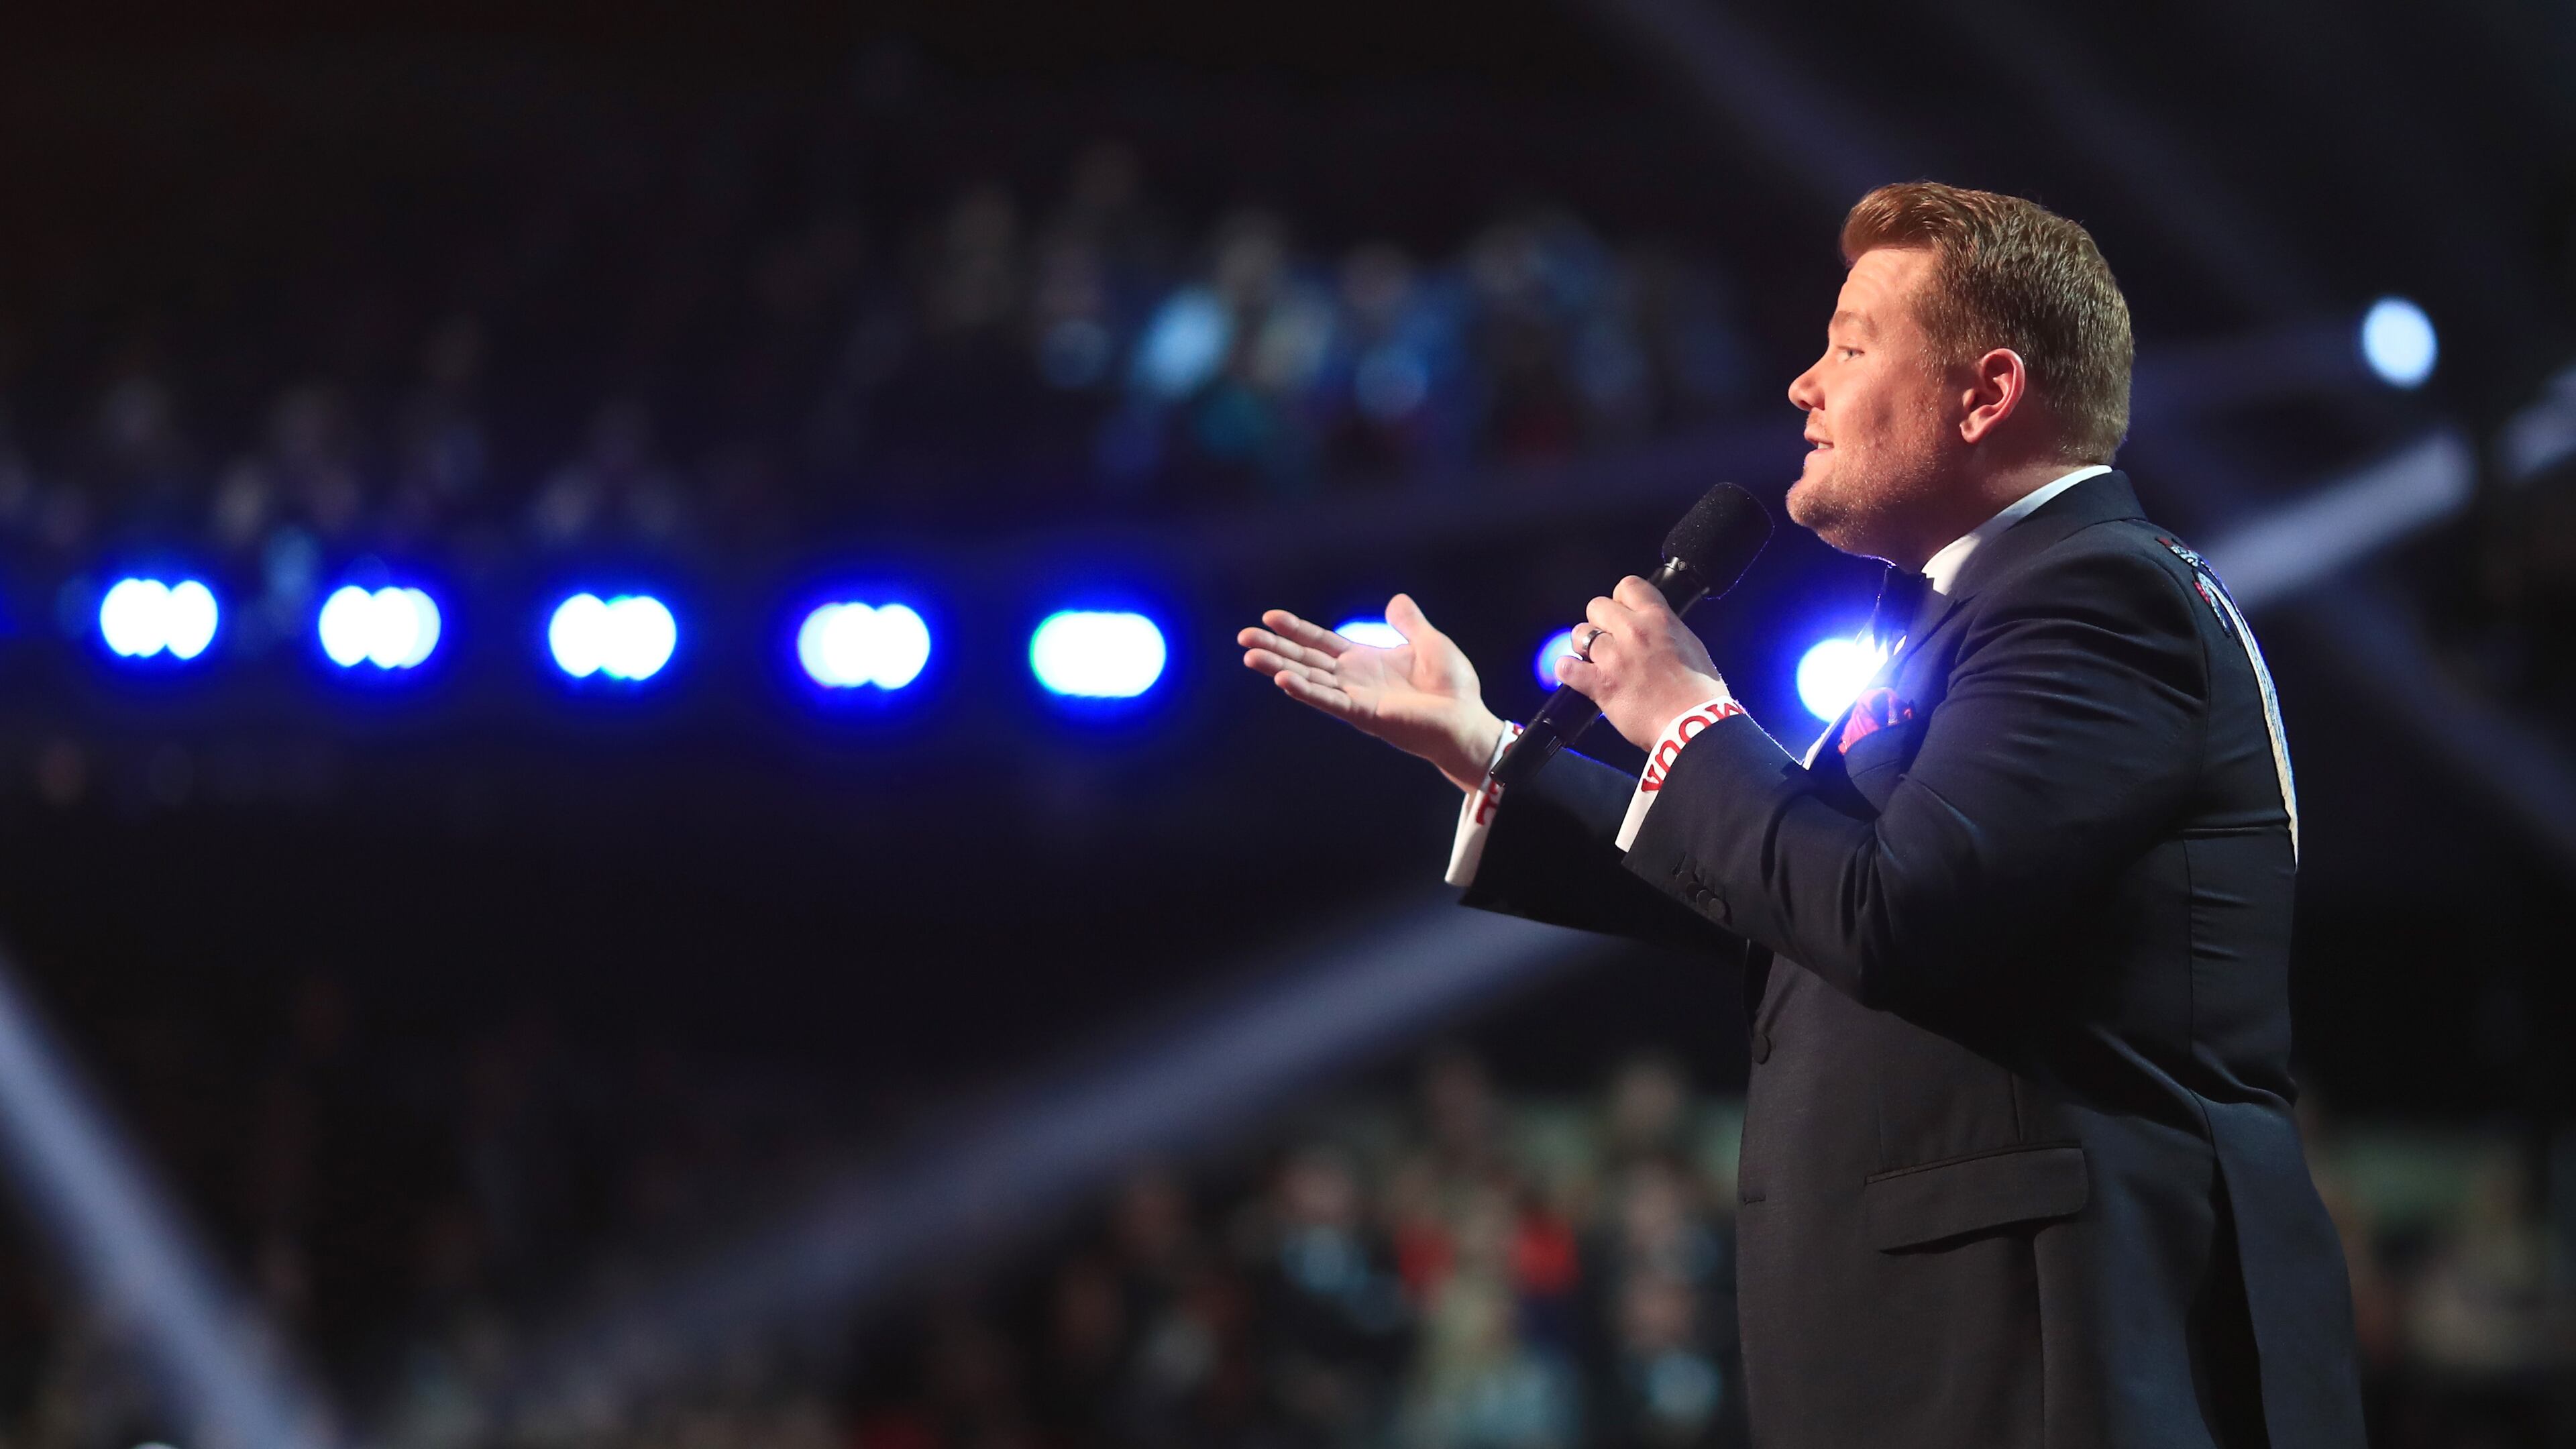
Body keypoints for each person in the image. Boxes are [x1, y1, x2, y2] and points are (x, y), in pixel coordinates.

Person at [1238, 182, 2363, 1448]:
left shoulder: (2098, 600)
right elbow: (1790, 898)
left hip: (2061, 1357)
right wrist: (1485, 747)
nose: (1803, 386)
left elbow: (1893, 911)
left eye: (1849, 344)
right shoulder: (1982, 607)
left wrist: (1686, 715)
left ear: (1986, 394)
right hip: (1962, 1345)